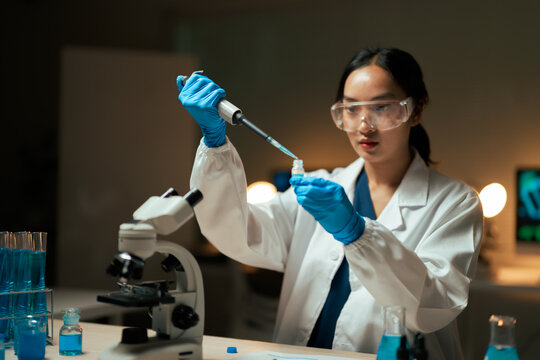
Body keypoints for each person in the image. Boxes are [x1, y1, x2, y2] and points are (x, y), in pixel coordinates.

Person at [177, 47, 483, 359]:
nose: (364, 126)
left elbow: (433, 306)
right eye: (351, 110)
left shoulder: (454, 203)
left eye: (381, 107)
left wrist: (357, 232)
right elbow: (239, 234)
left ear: (414, 111)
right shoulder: (320, 190)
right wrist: (214, 143)